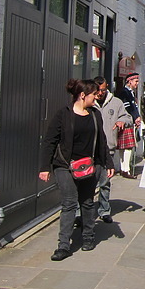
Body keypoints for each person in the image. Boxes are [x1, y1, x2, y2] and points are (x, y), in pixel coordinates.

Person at [39, 79, 114, 261]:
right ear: (82, 95)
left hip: (90, 166)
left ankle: (88, 237)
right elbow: (50, 141)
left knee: (87, 202)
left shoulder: (95, 114)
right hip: (65, 166)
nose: (97, 96)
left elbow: (102, 141)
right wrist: (45, 167)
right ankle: (63, 246)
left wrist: (108, 164)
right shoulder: (63, 115)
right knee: (70, 202)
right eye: (94, 94)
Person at [92, 76, 131, 223]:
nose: (100, 93)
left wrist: (122, 121)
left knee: (105, 183)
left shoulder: (116, 102)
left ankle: (104, 210)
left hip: (108, 147)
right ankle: (82, 212)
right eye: (97, 90)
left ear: (107, 86)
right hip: (91, 149)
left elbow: (128, 117)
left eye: (102, 90)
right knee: (86, 183)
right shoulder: (90, 102)